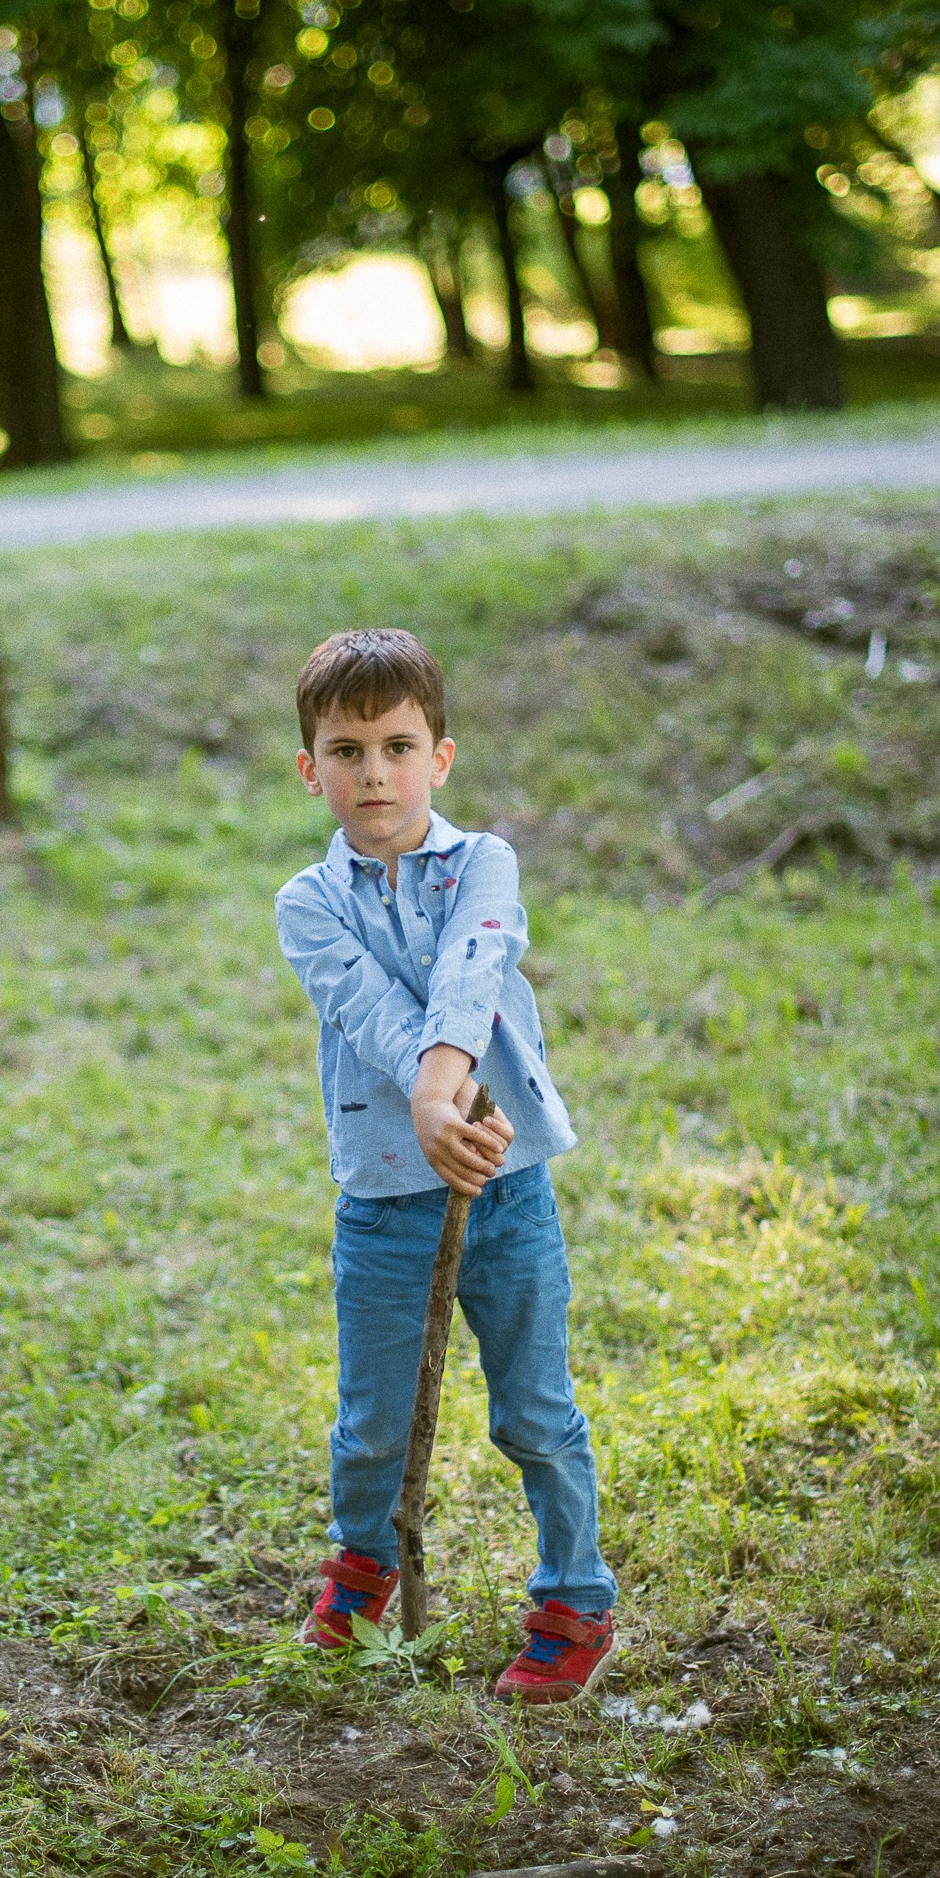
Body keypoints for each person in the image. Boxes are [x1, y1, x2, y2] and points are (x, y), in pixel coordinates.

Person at [274, 626, 618, 1705]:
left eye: (396, 744)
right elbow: (369, 1011)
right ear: (309, 770)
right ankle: (363, 1564)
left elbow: (470, 973)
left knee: (534, 1410)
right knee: (371, 1418)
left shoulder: (484, 863)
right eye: (344, 751)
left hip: (500, 1188)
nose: (372, 772)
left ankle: (575, 1599)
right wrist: (420, 1103)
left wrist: (447, 1097)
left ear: (440, 757)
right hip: (382, 1197)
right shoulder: (306, 903)